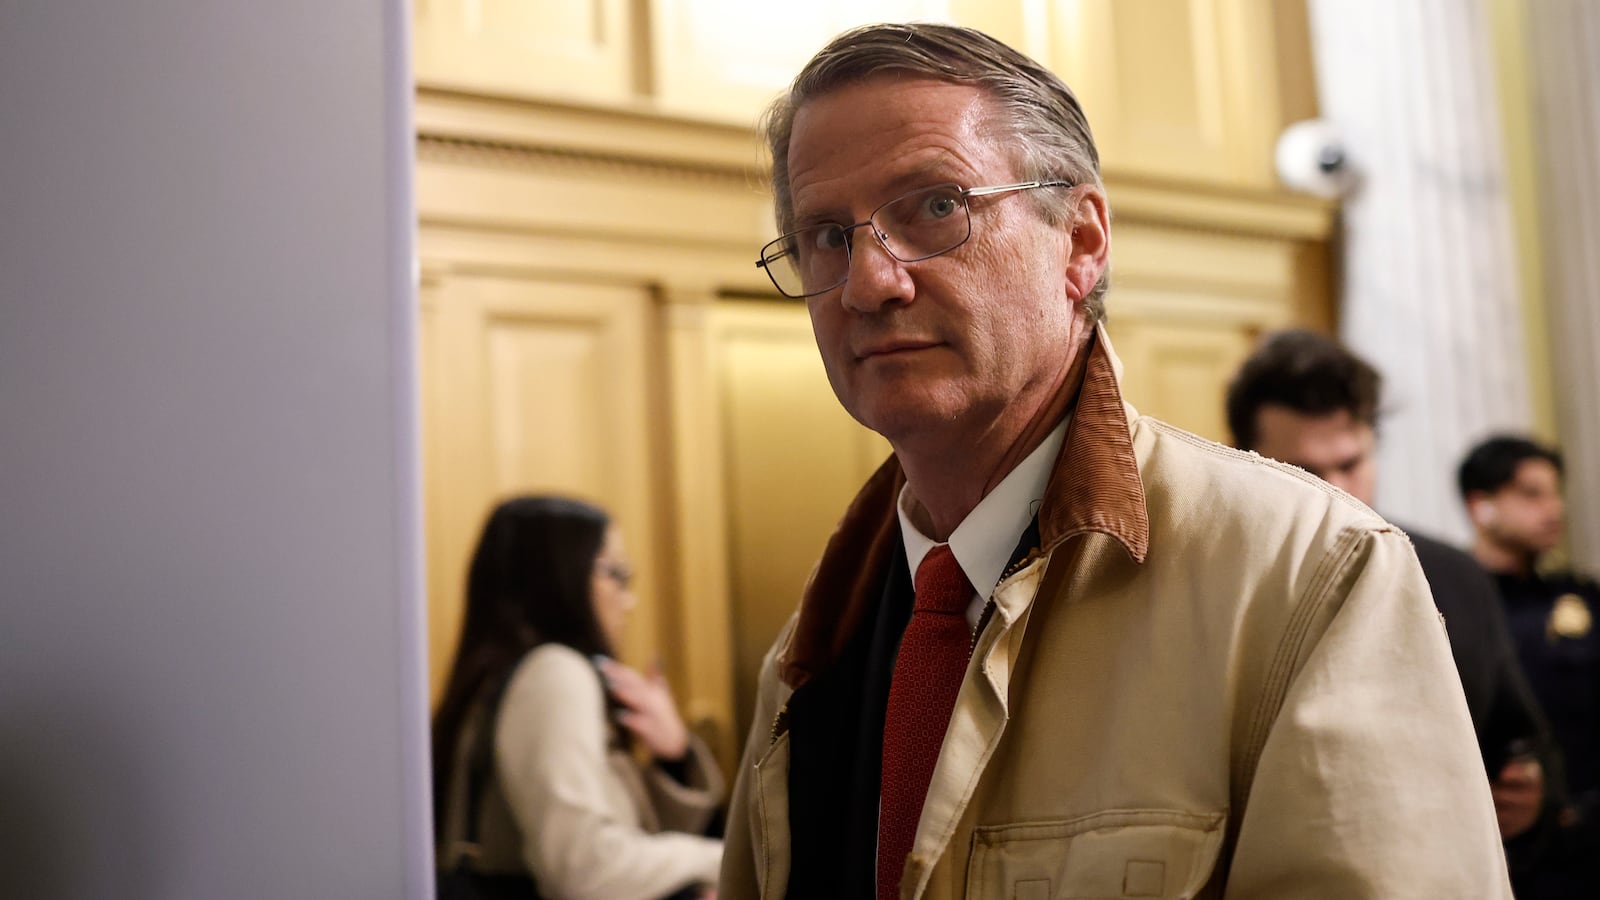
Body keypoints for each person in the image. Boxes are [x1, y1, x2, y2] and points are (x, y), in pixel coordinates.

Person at [722, 21, 1509, 900]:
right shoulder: (808, 651)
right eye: (829, 236)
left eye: (937, 207)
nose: (871, 281)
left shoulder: (1306, 575)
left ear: (1081, 241)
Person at [1225, 329, 1559, 884]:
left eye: (1350, 463)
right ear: (1247, 461)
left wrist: (1535, 790)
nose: (1337, 492)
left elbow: (1520, 730)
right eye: (1306, 473)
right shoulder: (1220, 587)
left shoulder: (1455, 575)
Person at [432, 496, 722, 900]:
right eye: (615, 573)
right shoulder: (553, 674)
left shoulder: (508, 676)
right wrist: (725, 857)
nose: (629, 600)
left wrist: (673, 758)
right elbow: (585, 869)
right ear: (556, 577)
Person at [1461, 437, 1600, 820]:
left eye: (1555, 493)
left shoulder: (1578, 595)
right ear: (1481, 505)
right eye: (1532, 494)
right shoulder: (1452, 601)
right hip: (1499, 820)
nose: (1554, 509)